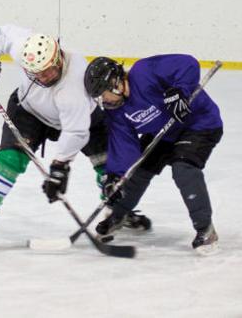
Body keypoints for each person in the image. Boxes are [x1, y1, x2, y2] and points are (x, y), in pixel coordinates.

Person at [0, 25, 151, 245]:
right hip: (29, 112)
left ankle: (118, 212)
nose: (44, 78)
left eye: (49, 71)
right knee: (9, 160)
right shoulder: (28, 49)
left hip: (84, 120)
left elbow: (76, 132)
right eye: (37, 73)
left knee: (109, 165)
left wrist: (59, 167)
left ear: (58, 58)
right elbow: (0, 34)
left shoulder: (75, 85)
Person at [84, 55, 223, 254]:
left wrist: (179, 91)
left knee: (183, 168)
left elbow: (188, 64)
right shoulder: (116, 112)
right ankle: (118, 215)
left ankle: (205, 230)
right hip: (163, 134)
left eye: (104, 94)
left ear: (115, 83)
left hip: (200, 124)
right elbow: (124, 146)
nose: (103, 101)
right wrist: (114, 177)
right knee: (138, 171)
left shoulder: (144, 72)